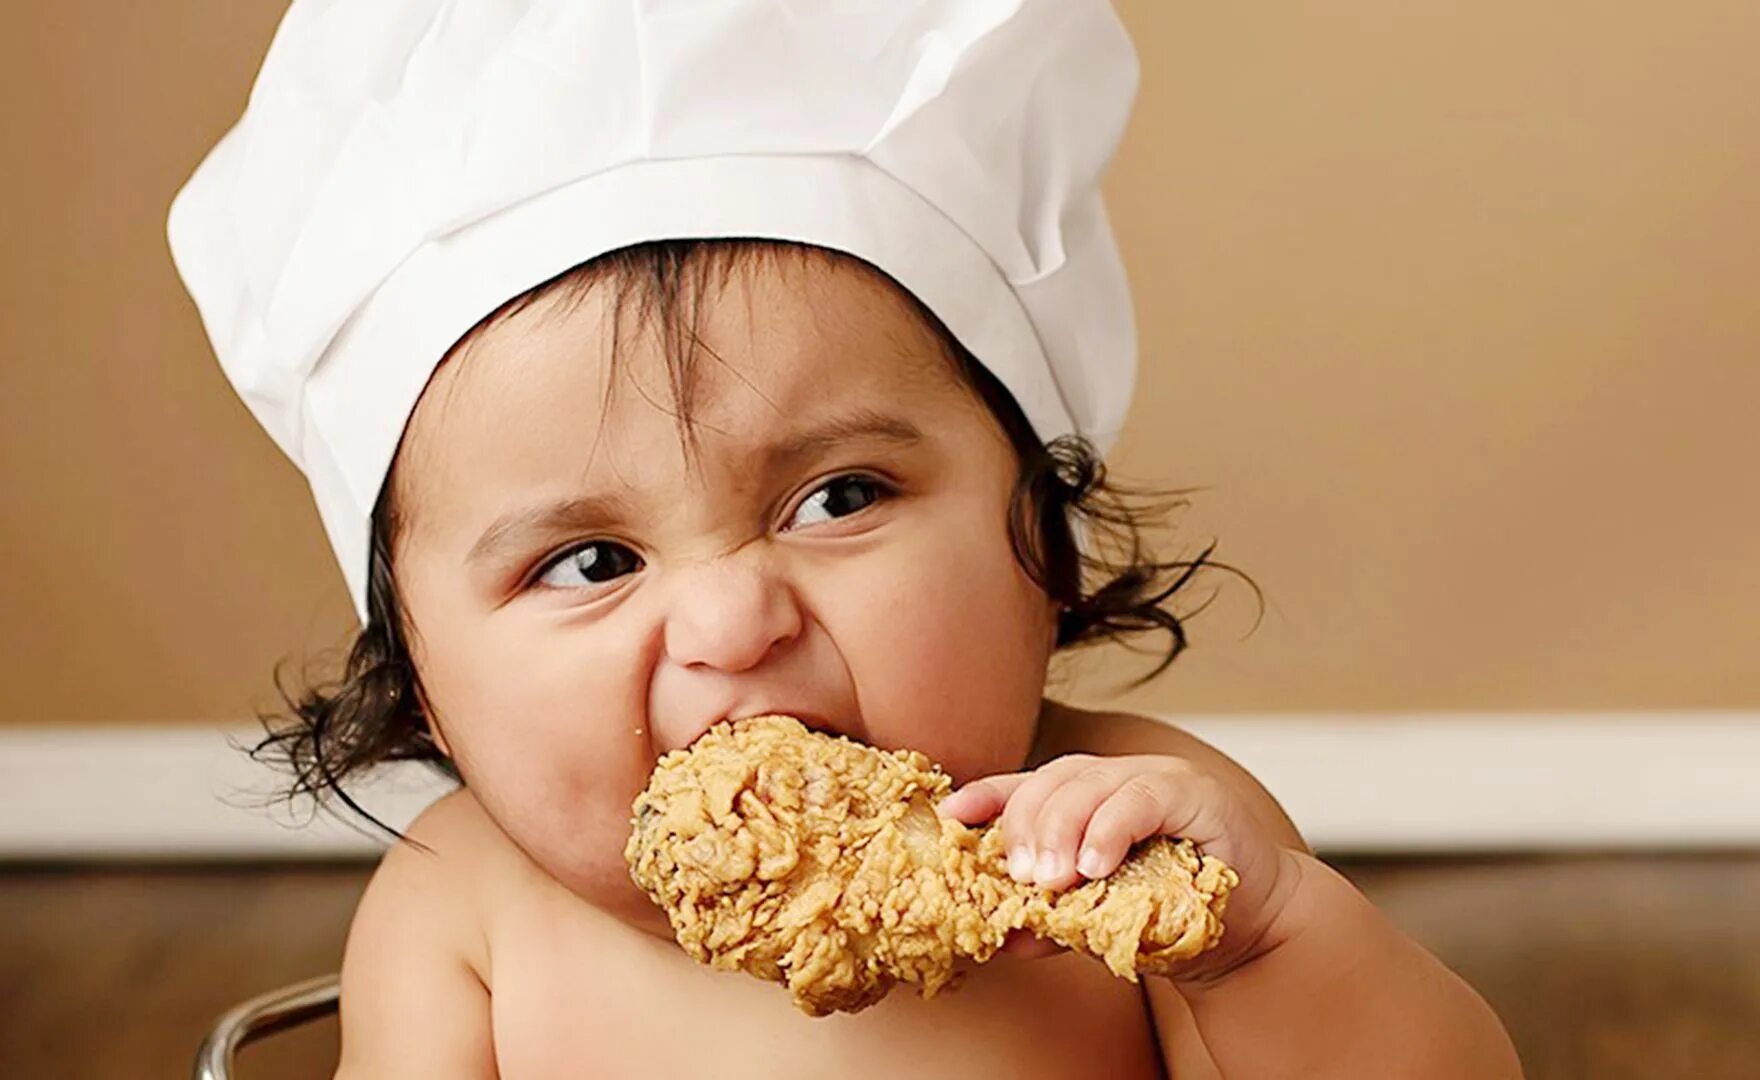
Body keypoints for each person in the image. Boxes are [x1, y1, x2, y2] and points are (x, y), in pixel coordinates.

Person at [168, 1, 1522, 1075]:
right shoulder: (461, 909)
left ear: (1038, 542)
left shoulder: (1125, 836)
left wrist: (1265, 939)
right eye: (590, 564)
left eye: (840, 499)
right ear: (428, 688)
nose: (732, 624)